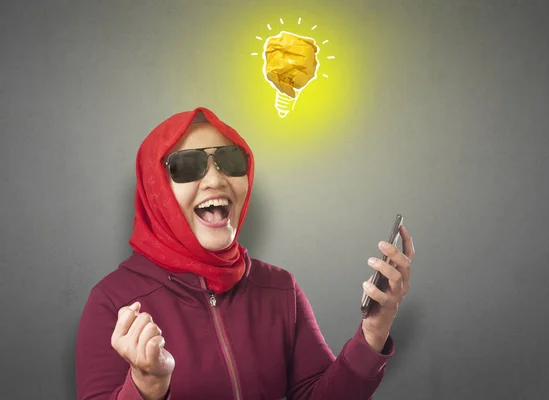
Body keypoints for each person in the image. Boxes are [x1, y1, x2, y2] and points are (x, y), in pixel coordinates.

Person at [75, 107, 415, 400]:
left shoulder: (279, 288)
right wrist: (146, 386)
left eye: (229, 160)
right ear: (155, 189)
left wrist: (374, 331)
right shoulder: (113, 301)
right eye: (186, 166)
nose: (215, 180)